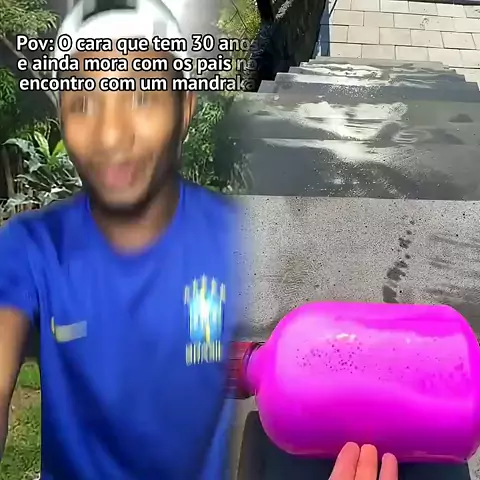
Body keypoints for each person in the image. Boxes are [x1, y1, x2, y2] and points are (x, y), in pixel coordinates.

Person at [0, 0, 241, 478]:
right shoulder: (33, 249)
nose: (111, 136)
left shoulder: (236, 240)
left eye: (142, 96)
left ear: (185, 108)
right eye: (84, 104)